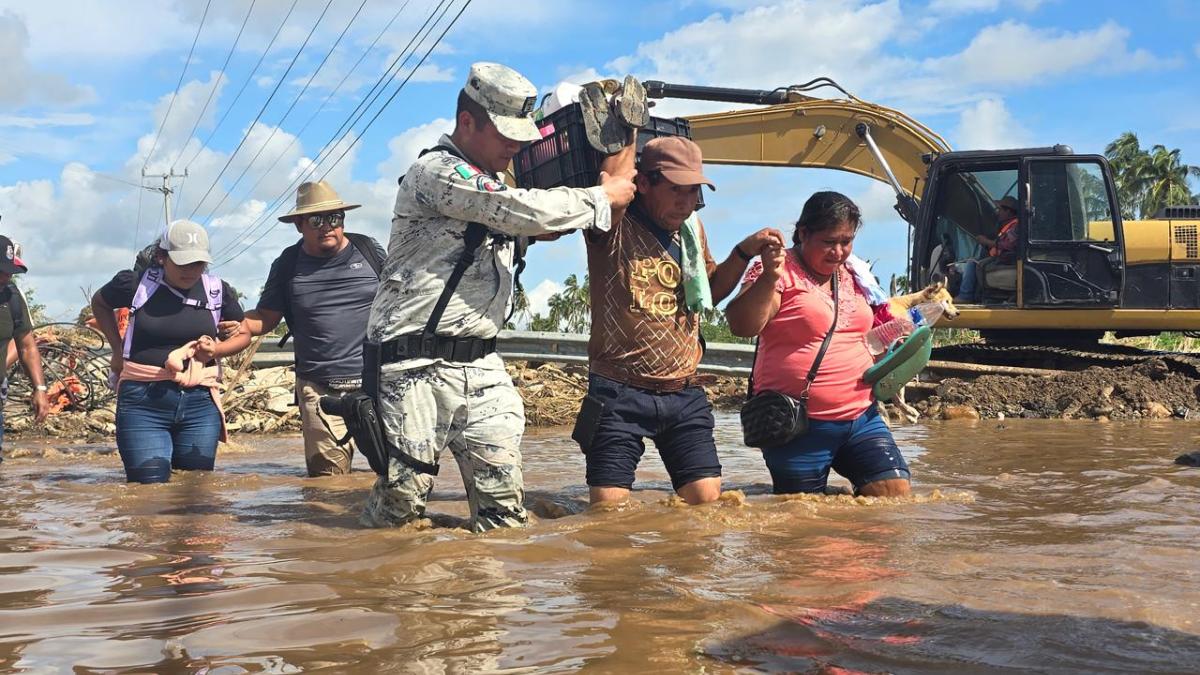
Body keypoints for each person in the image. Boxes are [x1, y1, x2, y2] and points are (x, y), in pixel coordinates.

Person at [359, 62, 636, 532]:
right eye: (505, 134)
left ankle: (489, 603)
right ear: (467, 122)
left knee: (504, 512)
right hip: (412, 367)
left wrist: (620, 148)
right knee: (400, 511)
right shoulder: (435, 173)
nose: (516, 145)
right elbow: (519, 209)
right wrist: (602, 195)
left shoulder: (497, 186)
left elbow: (541, 224)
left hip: (481, 365)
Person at [579, 133, 785, 505]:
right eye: (676, 189)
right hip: (618, 390)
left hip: (683, 390)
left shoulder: (692, 229)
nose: (686, 202)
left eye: (693, 192)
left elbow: (707, 292)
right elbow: (611, 186)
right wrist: (628, 130)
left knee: (706, 505)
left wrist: (743, 252)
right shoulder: (613, 224)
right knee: (608, 512)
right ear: (643, 183)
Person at [726, 191, 911, 497]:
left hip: (861, 417)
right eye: (829, 241)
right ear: (803, 233)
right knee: (802, 521)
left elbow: (864, 331)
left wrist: (898, 336)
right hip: (795, 425)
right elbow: (742, 326)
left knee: (893, 494)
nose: (839, 251)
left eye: (847, 241)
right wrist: (769, 278)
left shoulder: (855, 273)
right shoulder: (776, 271)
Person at [220, 181, 384, 477]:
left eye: (335, 218)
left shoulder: (368, 250)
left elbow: (403, 297)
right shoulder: (287, 264)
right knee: (328, 484)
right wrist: (239, 324)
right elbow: (266, 318)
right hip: (319, 389)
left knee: (393, 473)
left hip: (379, 384)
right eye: (316, 220)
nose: (327, 227)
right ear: (299, 225)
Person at [91, 220, 251, 483]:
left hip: (200, 403)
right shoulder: (135, 284)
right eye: (182, 263)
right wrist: (117, 349)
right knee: (148, 487)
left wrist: (217, 349)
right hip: (144, 402)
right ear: (161, 257)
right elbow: (99, 303)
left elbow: (243, 333)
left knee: (195, 486)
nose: (191, 271)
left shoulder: (216, 291)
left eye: (198, 263)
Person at [0, 235, 49, 463]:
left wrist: (40, 388)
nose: (7, 276)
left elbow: (27, 346)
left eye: (9, 270)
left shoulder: (11, 297)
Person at [954, 196, 1020, 303]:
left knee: (972, 263)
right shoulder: (1008, 226)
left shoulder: (1016, 226)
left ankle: (965, 296)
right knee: (963, 265)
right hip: (1001, 259)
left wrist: (987, 242)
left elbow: (1009, 245)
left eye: (1000, 210)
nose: (997, 213)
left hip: (1005, 261)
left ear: (1008, 211)